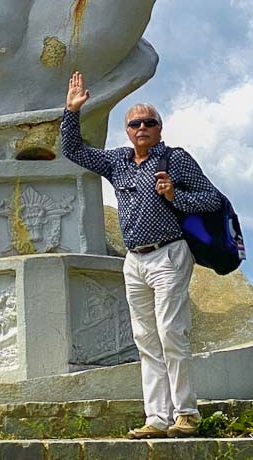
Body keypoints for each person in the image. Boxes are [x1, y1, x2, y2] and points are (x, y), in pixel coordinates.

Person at [61, 70, 222, 439]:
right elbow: (73, 151)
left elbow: (211, 199)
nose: (143, 127)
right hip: (134, 260)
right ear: (128, 130)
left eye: (150, 122)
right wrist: (72, 112)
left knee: (171, 332)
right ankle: (157, 418)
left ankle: (187, 413)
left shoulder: (175, 160)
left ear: (160, 128)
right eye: (136, 123)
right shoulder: (118, 161)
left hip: (168, 254)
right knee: (145, 338)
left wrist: (174, 197)